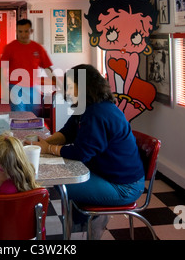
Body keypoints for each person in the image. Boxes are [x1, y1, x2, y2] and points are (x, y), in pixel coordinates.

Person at [32, 64, 145, 239]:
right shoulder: (87, 107)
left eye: (70, 85)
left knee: (62, 185)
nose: (66, 89)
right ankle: (86, 222)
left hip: (124, 187)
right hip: (108, 175)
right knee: (63, 178)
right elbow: (67, 132)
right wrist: (44, 143)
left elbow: (81, 153)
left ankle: (87, 223)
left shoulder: (97, 113)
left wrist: (49, 149)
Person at [0, 18, 60, 115]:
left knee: (31, 116)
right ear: (17, 31)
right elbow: (1, 68)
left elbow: (47, 67)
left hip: (32, 88)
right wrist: (4, 88)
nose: (23, 35)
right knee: (20, 116)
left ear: (31, 31)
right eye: (20, 31)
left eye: (26, 31)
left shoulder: (38, 48)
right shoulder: (10, 47)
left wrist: (57, 82)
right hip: (15, 88)